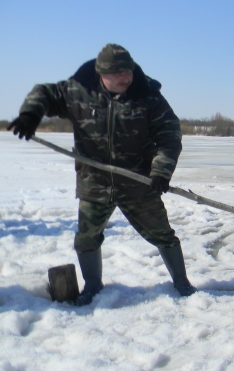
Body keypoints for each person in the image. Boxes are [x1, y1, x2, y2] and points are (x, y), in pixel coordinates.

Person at [8, 44, 196, 305]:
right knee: (86, 239)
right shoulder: (78, 91)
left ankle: (182, 284)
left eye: (128, 71)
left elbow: (169, 136)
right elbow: (44, 93)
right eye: (118, 73)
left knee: (162, 234)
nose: (125, 78)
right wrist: (31, 114)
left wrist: (161, 172)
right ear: (101, 74)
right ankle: (93, 286)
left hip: (138, 184)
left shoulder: (148, 97)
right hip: (93, 183)